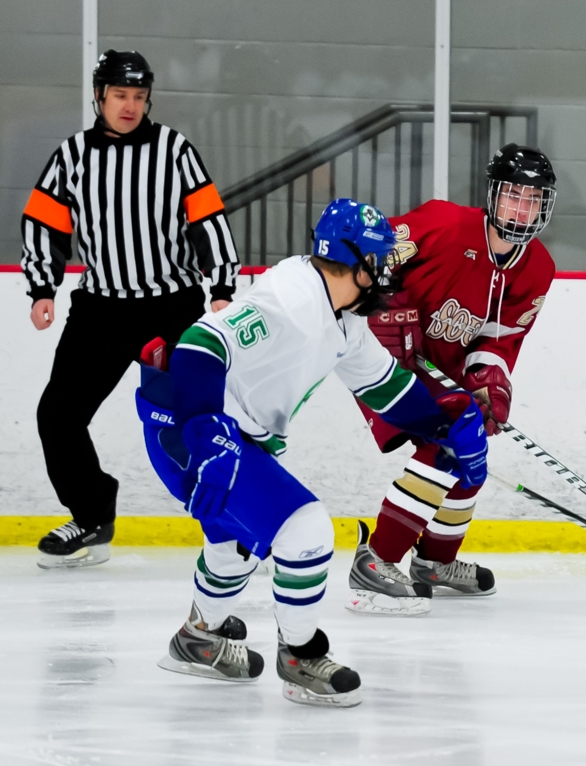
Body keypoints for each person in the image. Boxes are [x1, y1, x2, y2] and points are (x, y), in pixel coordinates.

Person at [136, 199, 488, 707]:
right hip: (190, 430)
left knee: (233, 549)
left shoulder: (343, 318)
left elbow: (387, 387)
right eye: (380, 261)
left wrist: (445, 426)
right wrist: (206, 433)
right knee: (305, 528)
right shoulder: (292, 298)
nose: (388, 272)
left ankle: (197, 638)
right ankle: (299, 655)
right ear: (353, 260)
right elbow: (198, 347)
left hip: (222, 434)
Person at [21, 50, 239, 569]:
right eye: (120, 95)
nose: (130, 106)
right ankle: (93, 514)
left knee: (198, 418)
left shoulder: (173, 150)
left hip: (173, 306)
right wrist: (42, 288)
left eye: (139, 97)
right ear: (99, 97)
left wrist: (223, 283)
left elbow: (207, 217)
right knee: (57, 414)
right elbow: (43, 222)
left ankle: (236, 516)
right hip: (100, 310)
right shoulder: (72, 155)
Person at [347, 143, 557, 616]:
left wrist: (489, 379)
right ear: (493, 195)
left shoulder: (538, 268)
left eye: (532, 198)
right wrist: (380, 305)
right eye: (513, 195)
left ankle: (434, 563)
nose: (521, 208)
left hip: (440, 368)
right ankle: (376, 560)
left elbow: (499, 338)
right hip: (380, 358)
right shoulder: (443, 223)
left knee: (471, 442)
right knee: (446, 441)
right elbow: (369, 256)